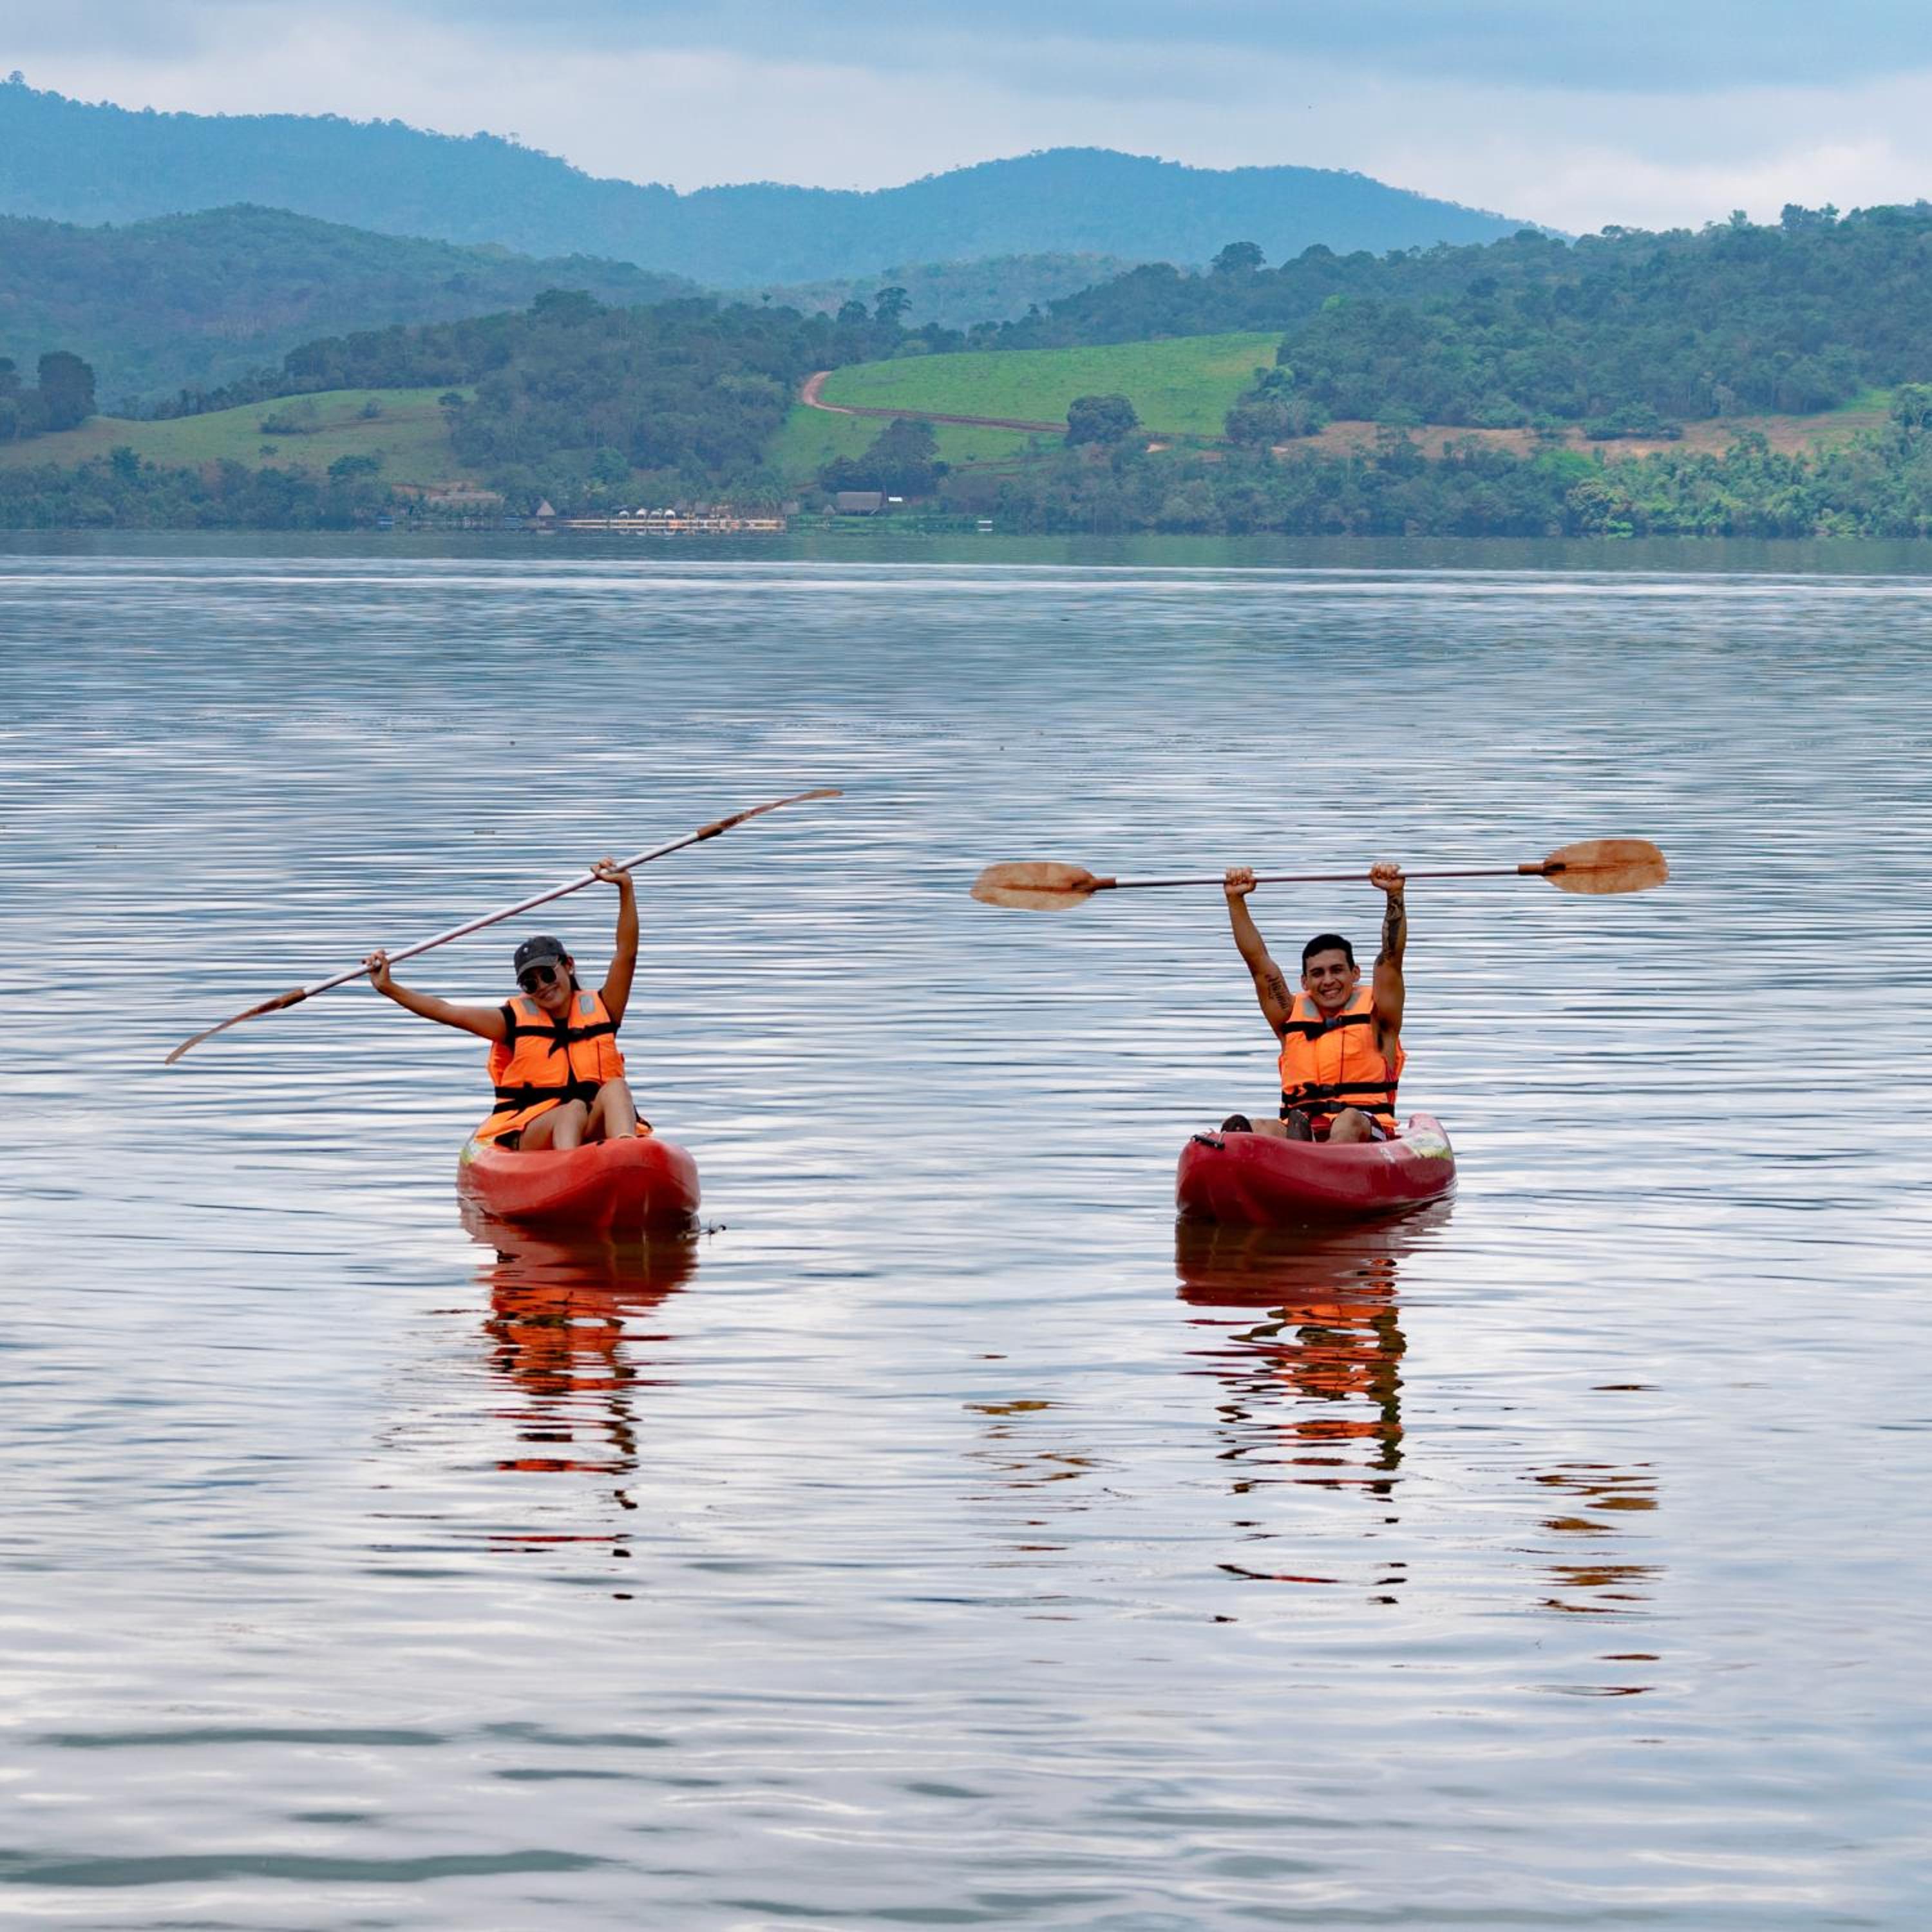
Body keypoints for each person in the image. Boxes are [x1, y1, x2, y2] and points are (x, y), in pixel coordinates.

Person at [363, 858, 645, 1152]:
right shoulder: (512, 1021)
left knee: (616, 1087)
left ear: (569, 965)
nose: (543, 986)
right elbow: (447, 1011)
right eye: (530, 983)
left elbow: (626, 954)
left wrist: (625, 888)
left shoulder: (604, 1007)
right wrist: (389, 988)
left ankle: (626, 1152)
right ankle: (570, 1166)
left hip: (592, 1124)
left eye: (548, 975)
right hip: (533, 1130)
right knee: (572, 1109)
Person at [1218, 861, 1407, 1144]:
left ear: (1355, 973)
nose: (1328, 981)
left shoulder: (1380, 1015)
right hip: (1302, 1127)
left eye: (1337, 970)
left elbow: (1391, 958)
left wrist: (1394, 894)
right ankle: (1276, 1147)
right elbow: (1257, 962)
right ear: (1305, 982)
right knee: (1257, 1127)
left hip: (1367, 1132)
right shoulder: (1288, 1015)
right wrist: (1236, 900)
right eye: (1318, 973)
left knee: (1348, 1119)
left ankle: (1317, 1157)